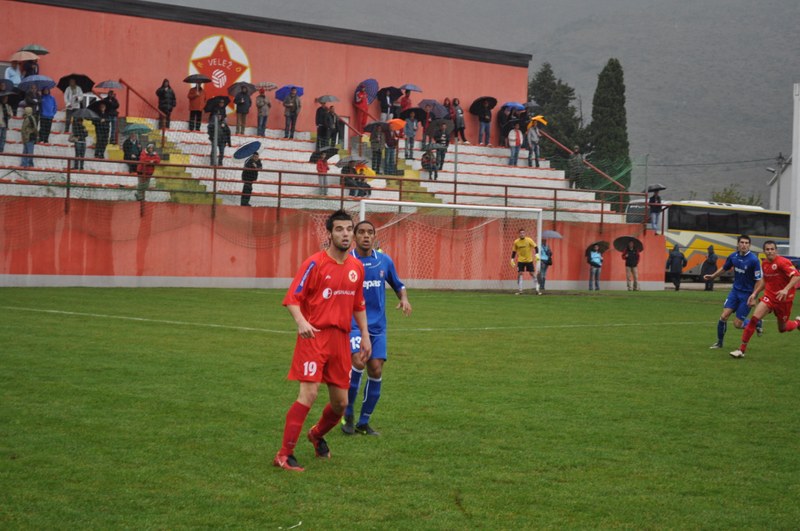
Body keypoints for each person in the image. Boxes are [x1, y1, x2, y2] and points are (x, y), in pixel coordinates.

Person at [273, 209, 371, 472]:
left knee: (341, 403)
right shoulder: (314, 263)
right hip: (314, 336)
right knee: (310, 393)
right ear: (329, 234)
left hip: (341, 339)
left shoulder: (356, 268)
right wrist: (302, 322)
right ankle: (284, 454)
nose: (346, 234)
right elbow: (293, 298)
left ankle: (316, 435)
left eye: (349, 229)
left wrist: (363, 335)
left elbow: (358, 304)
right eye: (339, 229)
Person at [342, 220, 412, 436]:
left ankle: (364, 422)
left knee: (376, 369)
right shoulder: (346, 261)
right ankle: (348, 413)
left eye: (369, 232)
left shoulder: (384, 261)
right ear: (355, 237)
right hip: (353, 325)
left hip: (378, 327)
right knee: (358, 362)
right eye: (361, 232)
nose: (365, 236)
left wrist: (404, 299)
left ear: (374, 236)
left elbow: (398, 285)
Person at [730, 241, 800, 358]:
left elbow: (797, 275)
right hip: (770, 297)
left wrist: (785, 289)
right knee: (754, 319)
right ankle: (741, 350)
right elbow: (764, 280)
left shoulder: (783, 262)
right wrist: (754, 293)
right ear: (764, 251)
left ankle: (798, 323)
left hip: (784, 300)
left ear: (776, 251)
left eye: (772, 249)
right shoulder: (765, 264)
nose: (770, 251)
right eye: (767, 249)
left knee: (782, 328)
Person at [704, 235, 763, 349]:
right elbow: (724, 268)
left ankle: (756, 323)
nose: (744, 245)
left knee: (737, 324)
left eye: (746, 243)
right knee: (724, 316)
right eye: (742, 242)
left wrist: (754, 295)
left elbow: (758, 280)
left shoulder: (753, 260)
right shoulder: (733, 256)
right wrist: (713, 276)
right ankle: (719, 343)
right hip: (735, 292)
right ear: (738, 244)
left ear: (749, 245)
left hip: (746, 295)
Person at [511, 228, 540, 295]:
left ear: (525, 234)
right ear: (519, 234)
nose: (522, 234)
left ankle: (537, 289)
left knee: (532, 273)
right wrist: (512, 259)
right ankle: (520, 290)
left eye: (523, 233)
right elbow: (514, 251)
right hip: (520, 260)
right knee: (520, 273)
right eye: (521, 233)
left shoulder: (529, 240)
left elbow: (536, 247)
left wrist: (537, 254)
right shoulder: (516, 242)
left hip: (529, 260)